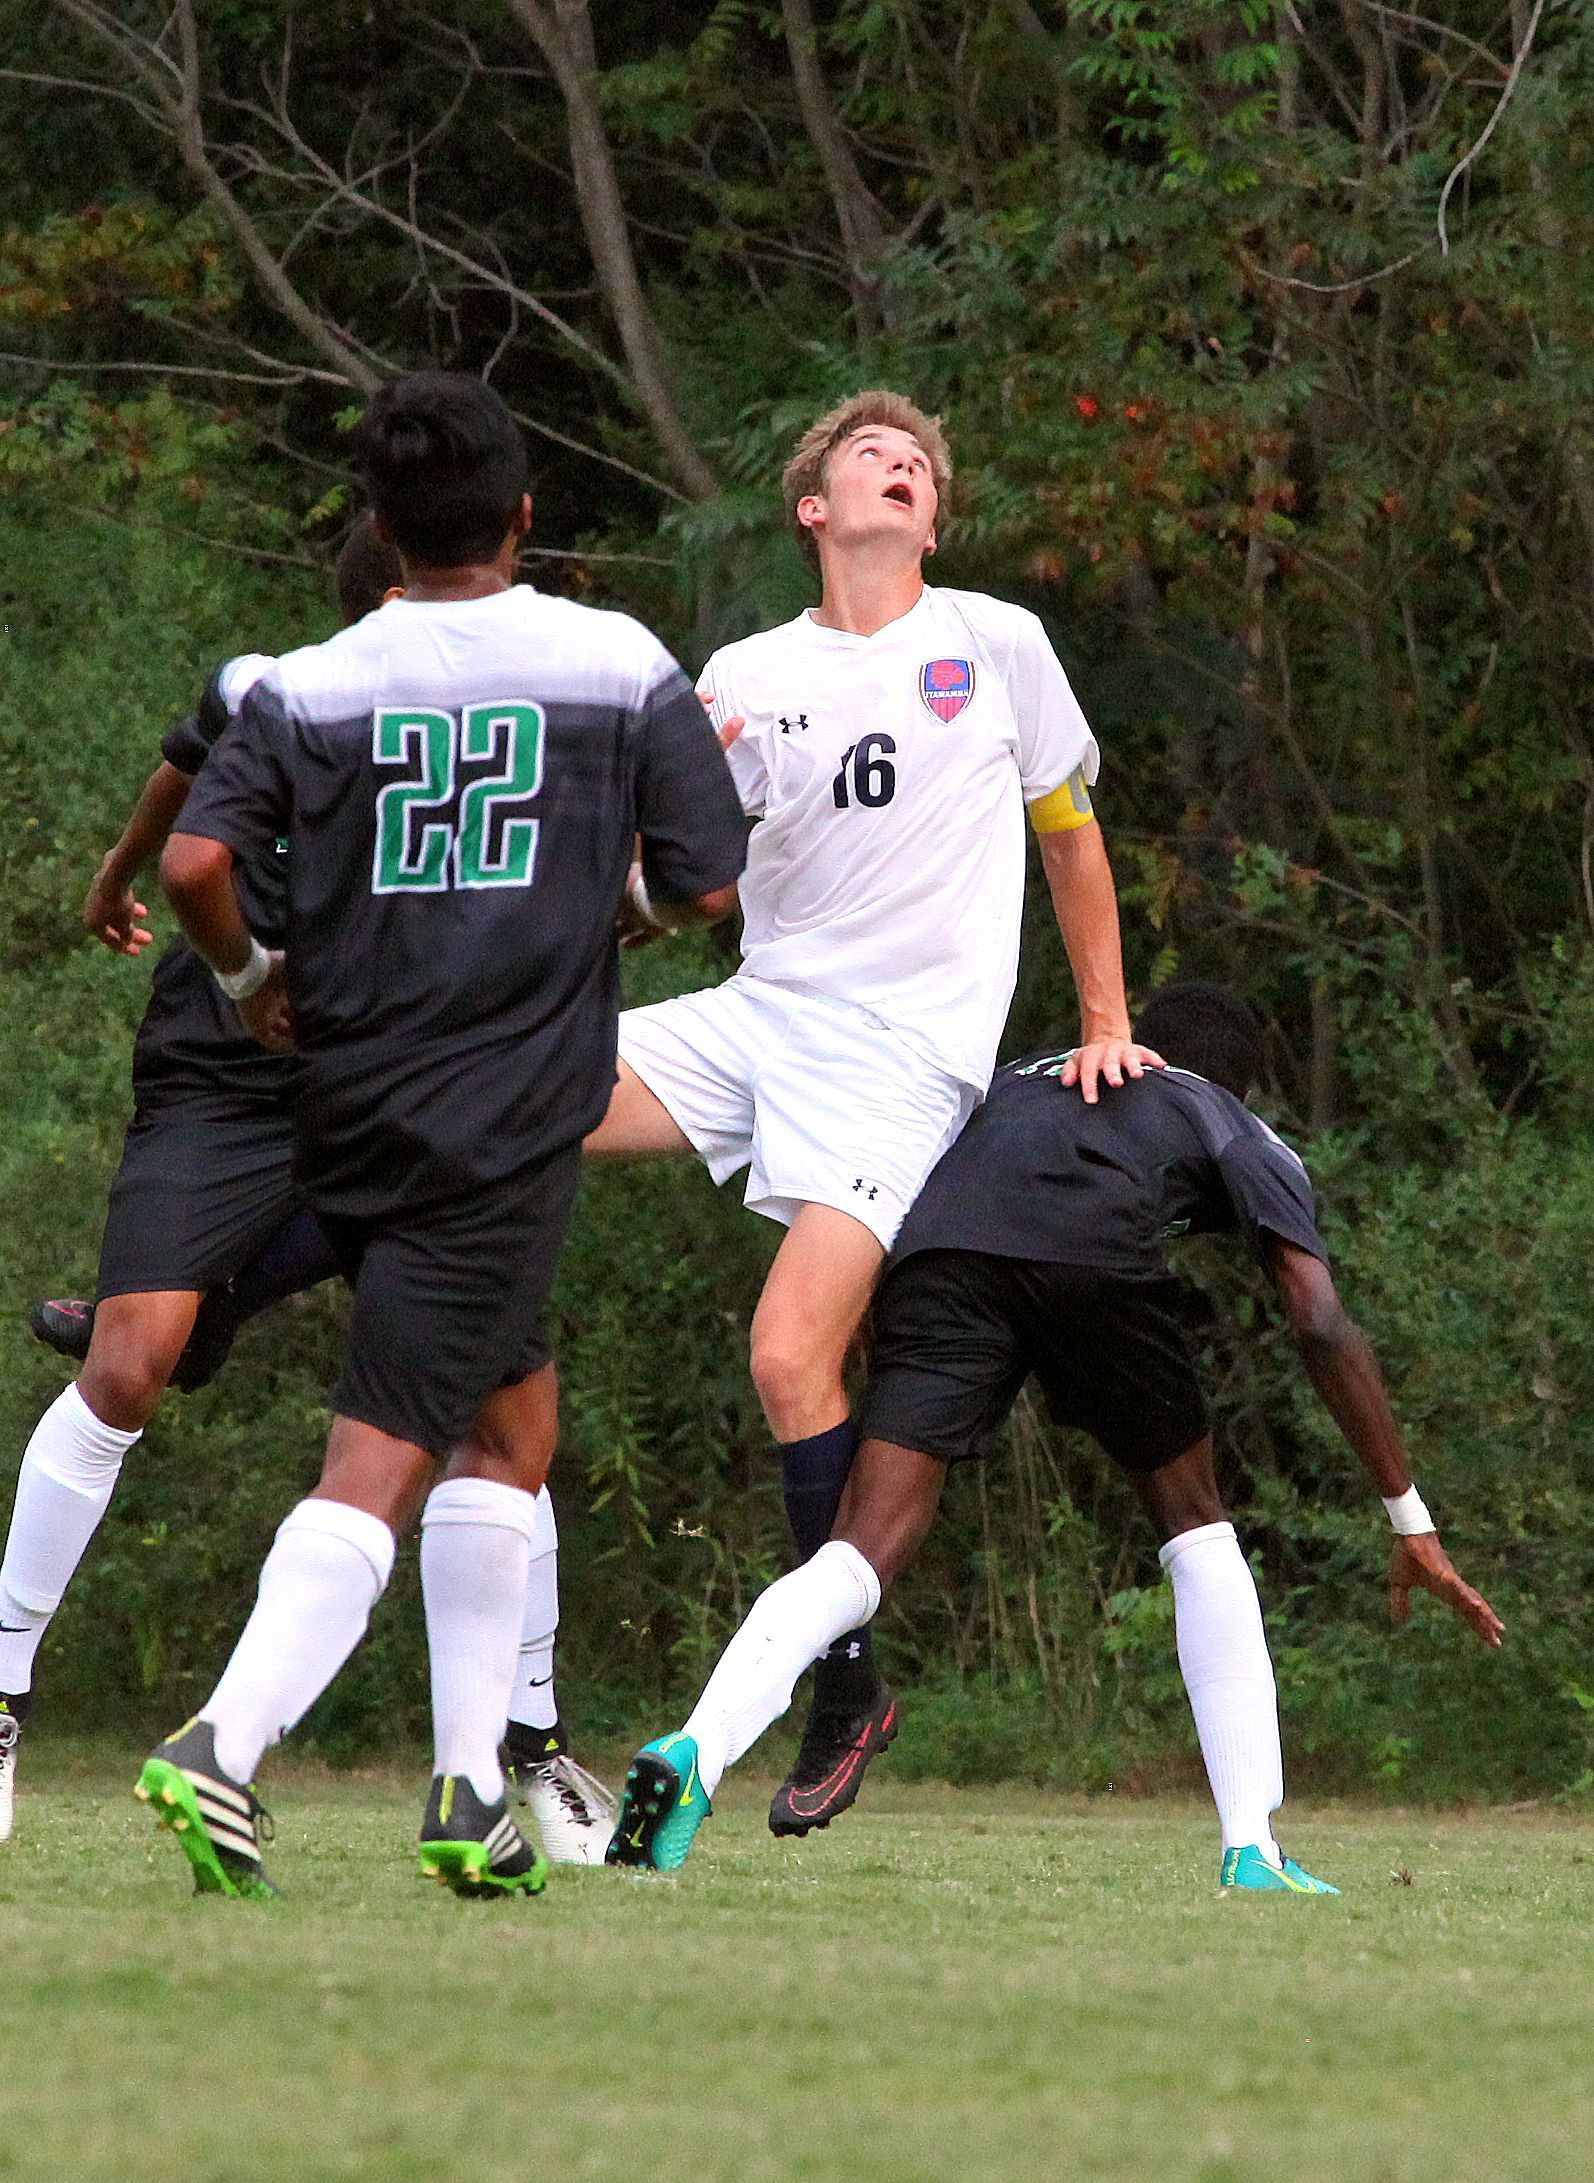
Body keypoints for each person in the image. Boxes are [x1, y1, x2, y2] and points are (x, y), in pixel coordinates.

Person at [134, 371, 746, 1899]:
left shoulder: (315, 680)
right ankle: (225, 1738)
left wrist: (249, 977)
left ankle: (469, 1787)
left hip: (349, 1096)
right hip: (498, 1119)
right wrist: (614, 910)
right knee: (379, 1458)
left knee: (513, 1428)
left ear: (384, 528)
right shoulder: (613, 659)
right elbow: (713, 879)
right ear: (526, 514)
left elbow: (200, 855)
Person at [586, 388, 1160, 1836]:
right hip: (758, 1014)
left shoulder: (992, 643)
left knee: (790, 1355)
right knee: (494, 1094)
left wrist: (1105, 1021)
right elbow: (680, 874)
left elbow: (1069, 838)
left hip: (903, 1055)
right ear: (812, 506)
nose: (900, 468)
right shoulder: (745, 669)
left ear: (929, 512)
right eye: (870, 455)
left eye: (918, 464)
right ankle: (224, 1295)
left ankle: (842, 1691)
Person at [8, 521, 621, 1868]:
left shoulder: (495, 736)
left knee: (509, 1409)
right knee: (129, 1362)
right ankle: (7, 1688)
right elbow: (184, 803)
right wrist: (124, 880)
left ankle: (513, 1748)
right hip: (230, 1065)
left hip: (385, 1074)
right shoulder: (275, 684)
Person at [607, 982, 1505, 1889]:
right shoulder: (1226, 1117)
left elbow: (903, 1173)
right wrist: (1407, 1513)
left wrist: (878, 1305)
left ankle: (695, 1751)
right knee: (1197, 1525)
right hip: (1097, 1258)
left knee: (859, 1550)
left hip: (938, 1254)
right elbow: (1318, 1321)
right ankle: (1251, 1849)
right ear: (1244, 1081)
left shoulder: (1017, 1082)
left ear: (1141, 1040)